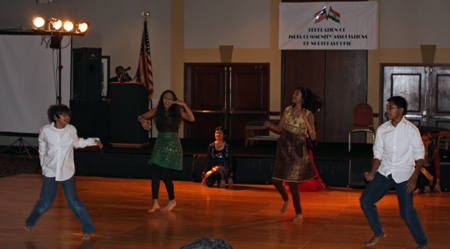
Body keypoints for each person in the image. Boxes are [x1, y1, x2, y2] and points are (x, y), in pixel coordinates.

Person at [24, 104, 103, 240]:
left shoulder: (71, 130)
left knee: (74, 202)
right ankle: (30, 222)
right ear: (55, 117)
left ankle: (88, 228)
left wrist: (93, 141)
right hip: (50, 170)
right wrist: (43, 165)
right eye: (63, 115)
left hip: (66, 171)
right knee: (45, 202)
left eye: (68, 115)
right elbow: (42, 148)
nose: (67, 118)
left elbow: (77, 143)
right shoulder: (45, 131)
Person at [360, 96, 428, 248]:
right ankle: (379, 232)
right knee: (366, 201)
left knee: (407, 213)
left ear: (401, 110)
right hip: (385, 172)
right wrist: (372, 172)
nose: (387, 110)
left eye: (391, 107)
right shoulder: (383, 130)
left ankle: (423, 243)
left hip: (404, 174)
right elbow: (377, 155)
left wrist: (414, 177)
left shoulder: (411, 130)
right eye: (387, 107)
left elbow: (420, 156)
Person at [263, 87, 322, 222]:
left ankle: (299, 213)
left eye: (297, 94)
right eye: (294, 93)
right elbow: (279, 128)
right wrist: (270, 125)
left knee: (292, 182)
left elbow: (312, 137)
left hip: (297, 149)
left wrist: (305, 119)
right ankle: (286, 198)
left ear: (302, 98)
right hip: (283, 146)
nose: (293, 95)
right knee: (276, 180)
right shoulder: (288, 110)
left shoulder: (308, 114)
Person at [138, 90, 195, 212]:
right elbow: (141, 116)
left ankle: (172, 200)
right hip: (160, 142)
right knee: (155, 174)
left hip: (172, 144)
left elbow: (191, 118)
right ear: (162, 99)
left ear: (173, 100)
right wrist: (142, 120)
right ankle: (155, 202)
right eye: (165, 98)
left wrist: (183, 104)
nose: (167, 100)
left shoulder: (177, 111)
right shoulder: (156, 111)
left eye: (170, 98)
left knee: (165, 176)